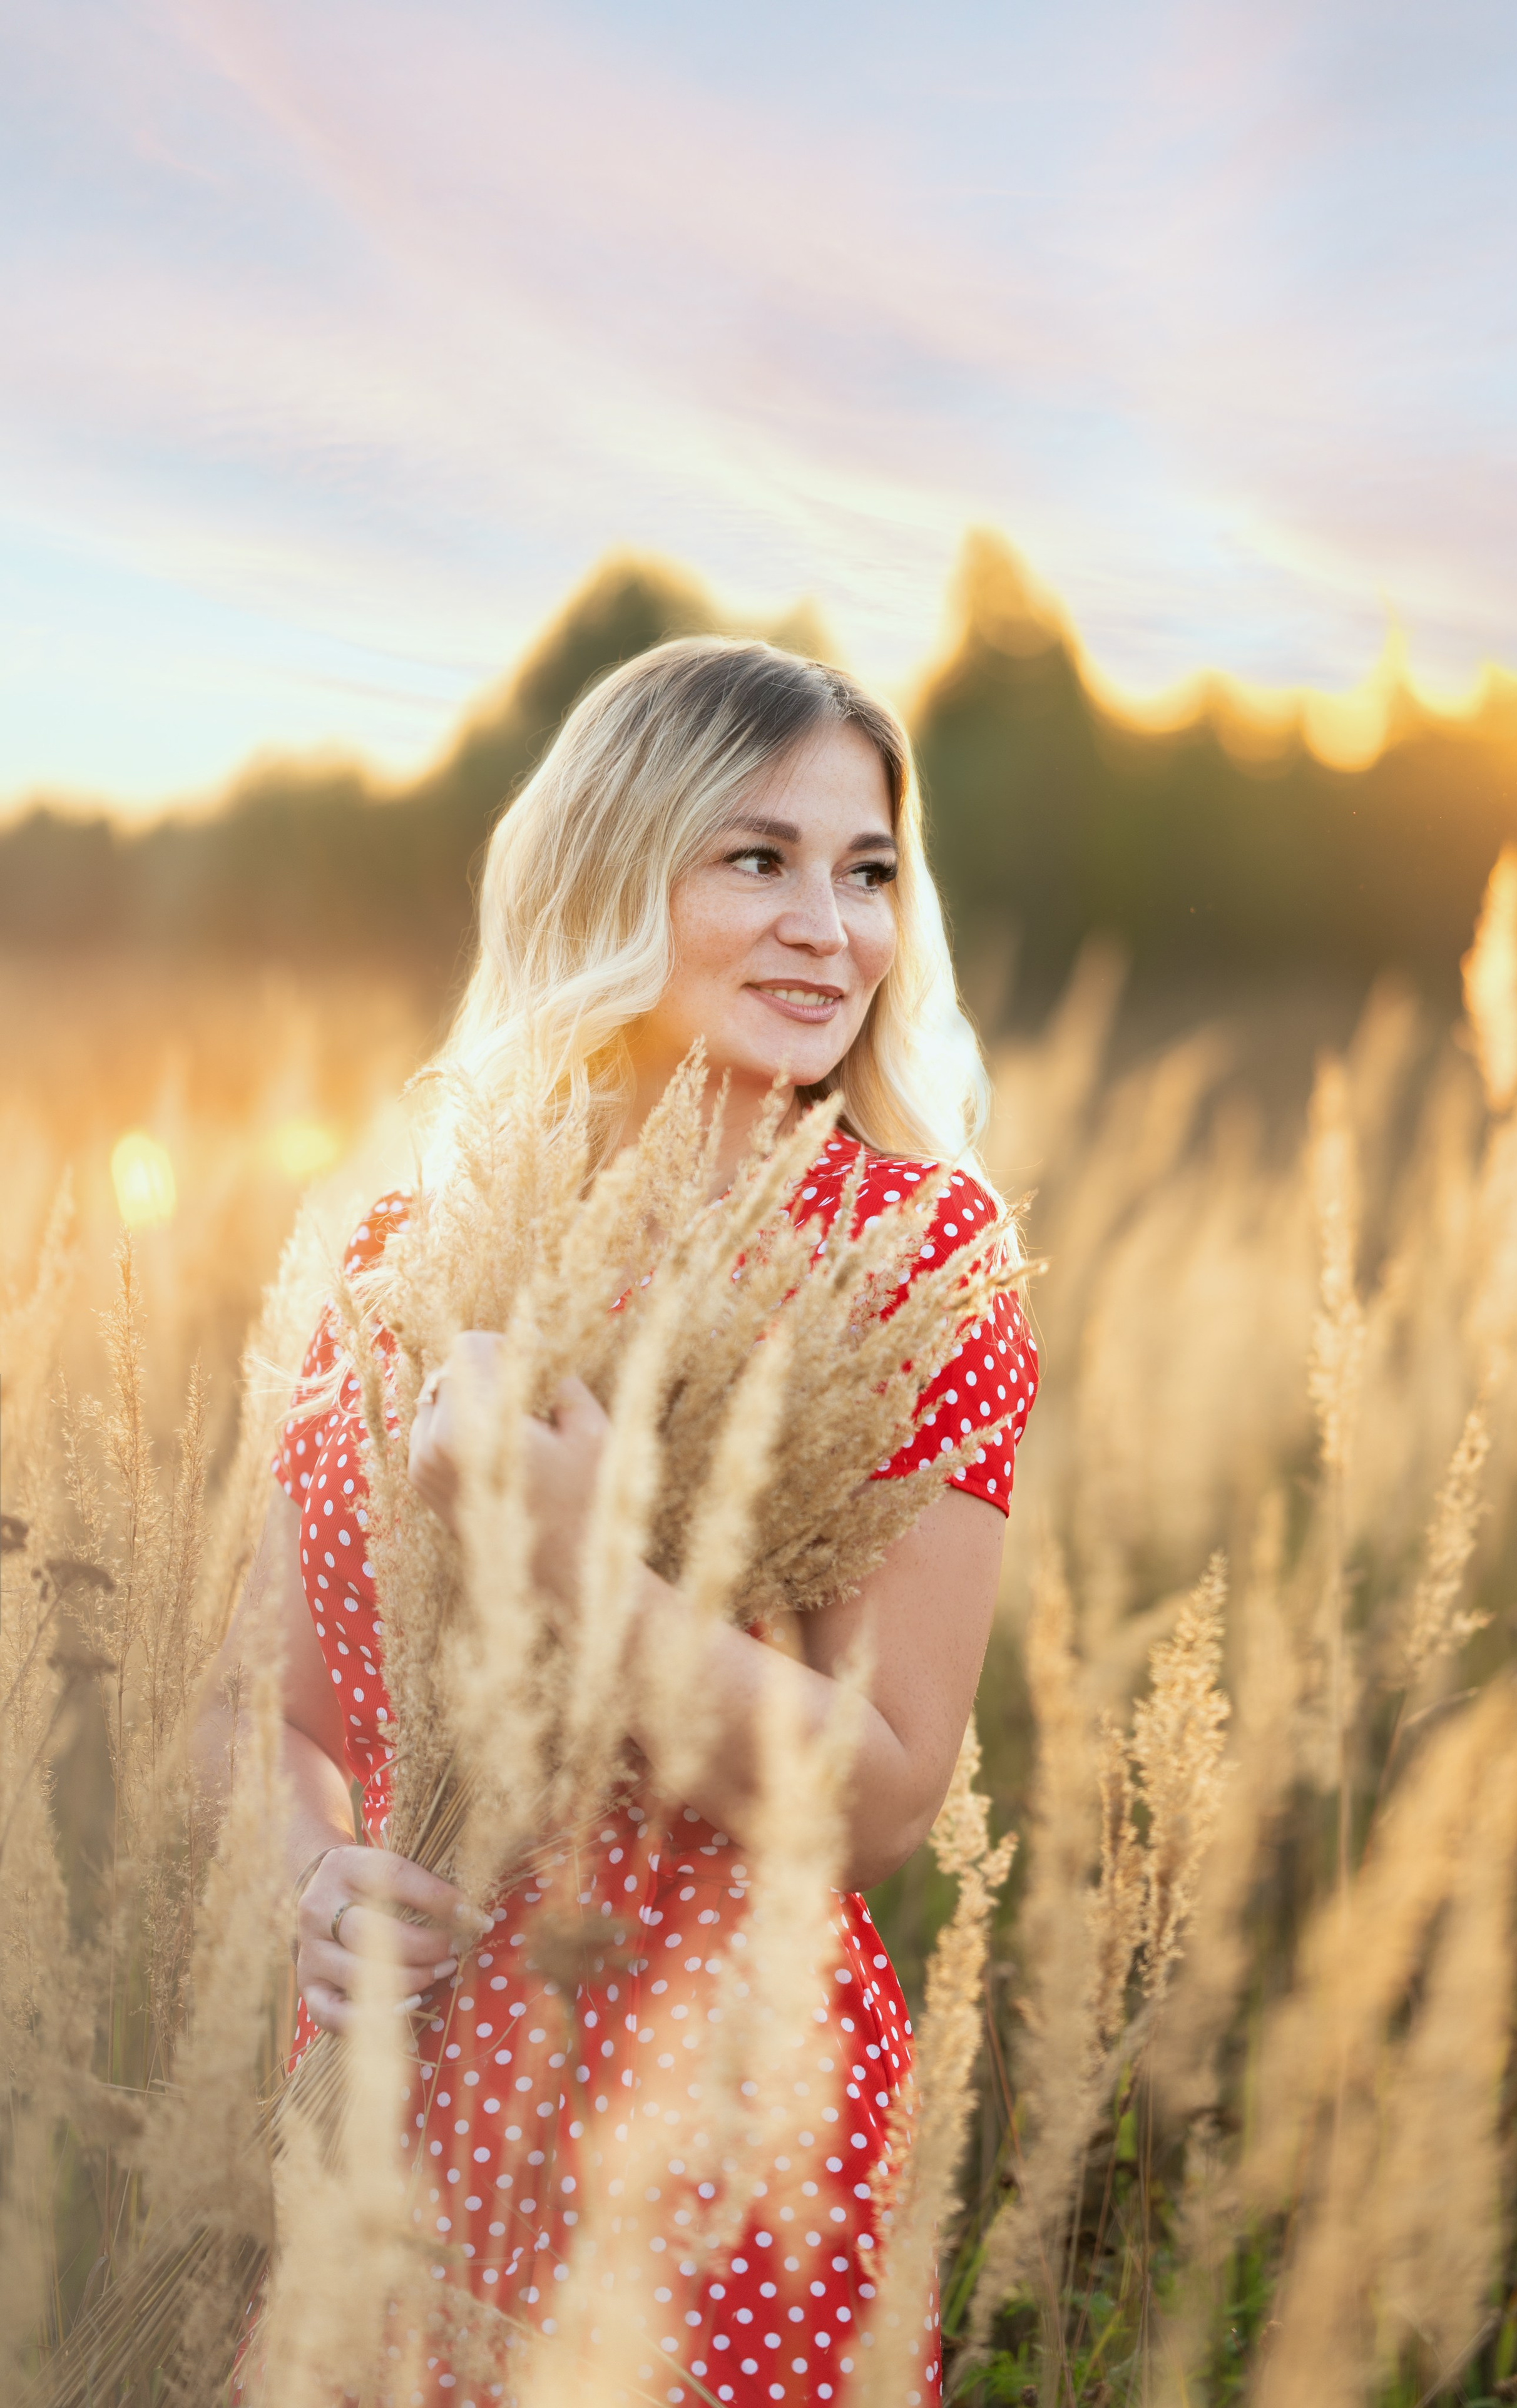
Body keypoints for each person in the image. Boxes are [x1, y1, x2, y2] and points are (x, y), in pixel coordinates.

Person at [194, 639, 1038, 2407]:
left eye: (868, 871)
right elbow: (258, 1703)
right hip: (391, 2143)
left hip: (719, 2158)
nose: (832, 926)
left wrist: (582, 1556)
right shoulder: (392, 1260)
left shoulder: (912, 1268)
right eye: (758, 859)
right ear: (607, 871)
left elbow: (880, 1791)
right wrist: (304, 1876)